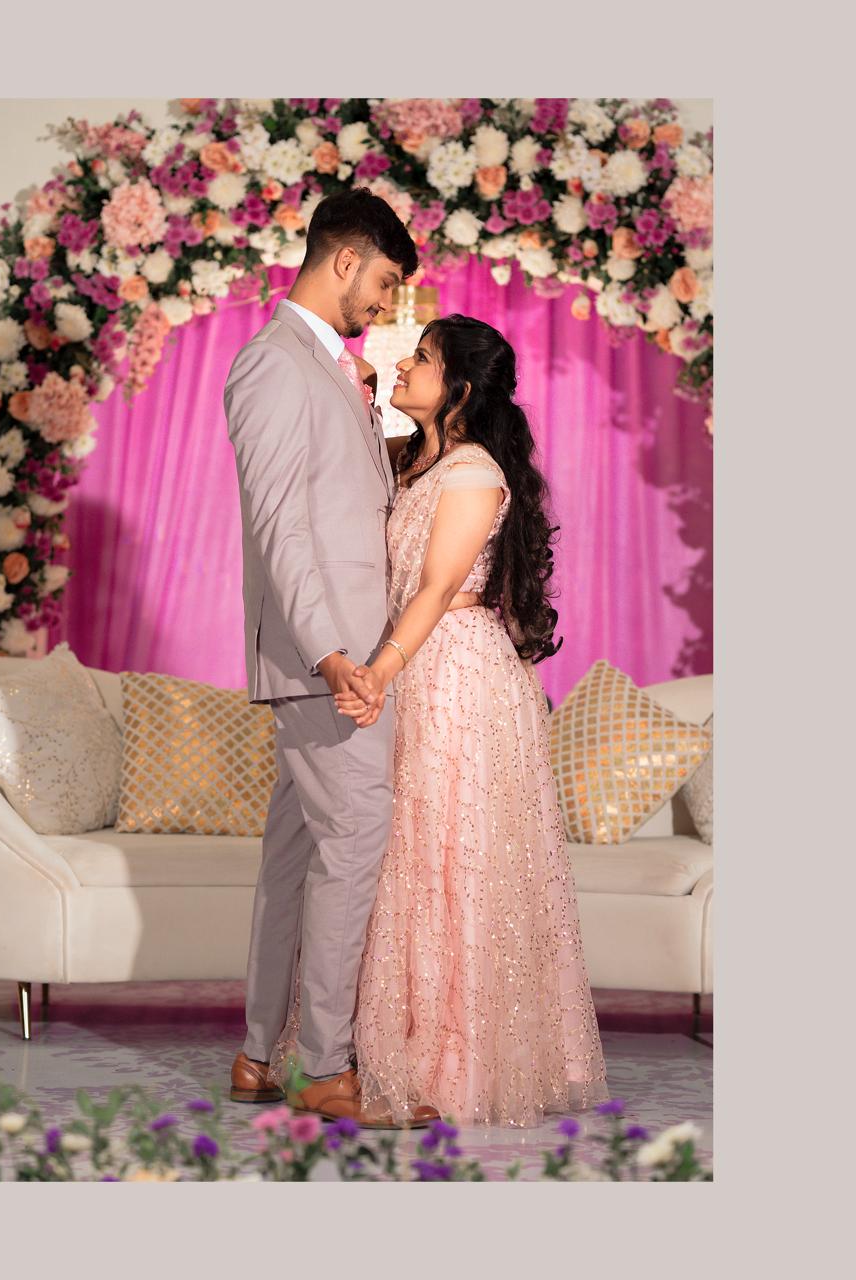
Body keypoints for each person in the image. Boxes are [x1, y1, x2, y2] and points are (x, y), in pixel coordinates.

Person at [271, 314, 609, 1127]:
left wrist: (378, 672)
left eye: (420, 358)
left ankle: (443, 1061)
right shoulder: (413, 461)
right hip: (410, 667)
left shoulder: (474, 472)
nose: (402, 364)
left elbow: (435, 588)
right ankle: (362, 1049)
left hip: (455, 677)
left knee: (447, 860)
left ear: (458, 387)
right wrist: (352, 391)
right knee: (393, 855)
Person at [222, 188, 438, 1128]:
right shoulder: (273, 365)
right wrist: (331, 652)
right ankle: (324, 1068)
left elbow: (350, 504)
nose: (387, 305)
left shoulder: (332, 367)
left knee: (296, 858)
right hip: (332, 662)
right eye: (384, 283)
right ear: (344, 260)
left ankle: (258, 1055)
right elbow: (280, 526)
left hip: (338, 655)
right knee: (353, 844)